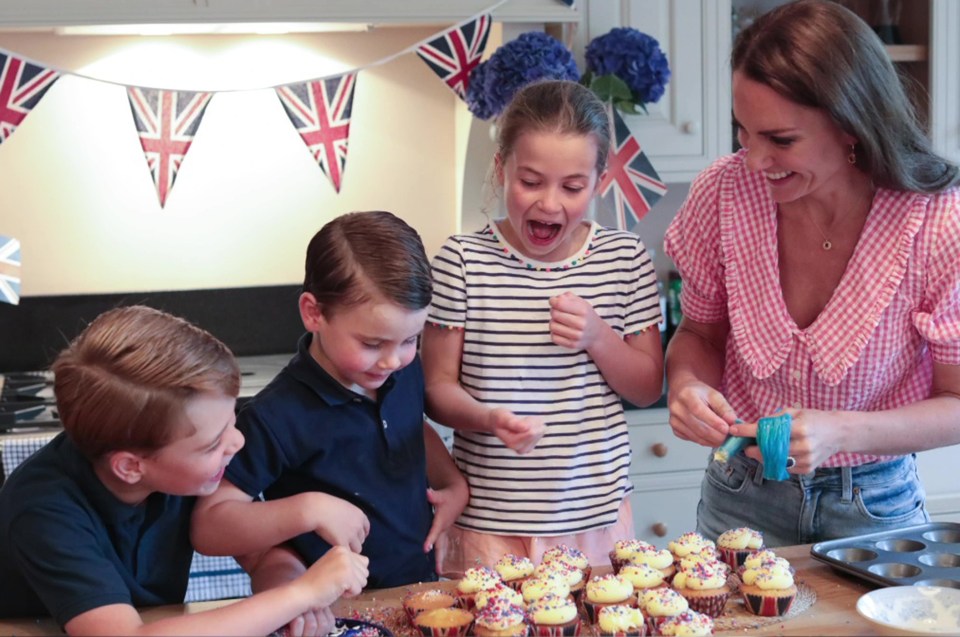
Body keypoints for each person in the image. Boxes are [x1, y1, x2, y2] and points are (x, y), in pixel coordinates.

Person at [664, 0, 960, 546]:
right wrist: (686, 385)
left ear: (852, 126)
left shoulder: (937, 222)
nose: (754, 160)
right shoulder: (722, 193)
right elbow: (700, 332)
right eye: (743, 132)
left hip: (874, 504)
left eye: (780, 139)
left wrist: (843, 431)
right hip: (738, 490)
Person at [0, 305, 369, 637]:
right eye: (212, 444)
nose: (236, 442)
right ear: (130, 467)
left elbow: (261, 553)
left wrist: (288, 595)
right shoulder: (43, 508)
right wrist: (300, 592)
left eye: (232, 420)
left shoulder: (189, 470)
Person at [421, 79, 665, 575]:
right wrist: (489, 418)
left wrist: (598, 337)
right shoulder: (463, 263)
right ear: (500, 169)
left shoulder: (625, 260)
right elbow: (435, 390)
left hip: (594, 521)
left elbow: (647, 387)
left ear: (599, 182)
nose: (549, 204)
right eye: (530, 181)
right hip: (487, 524)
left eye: (572, 187)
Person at [191, 210, 469, 590]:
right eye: (372, 344)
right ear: (314, 313)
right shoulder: (276, 415)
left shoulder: (402, 371)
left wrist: (452, 483)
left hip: (416, 590)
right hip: (334, 609)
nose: (392, 360)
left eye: (409, 340)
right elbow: (208, 525)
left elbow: (410, 427)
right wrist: (306, 509)